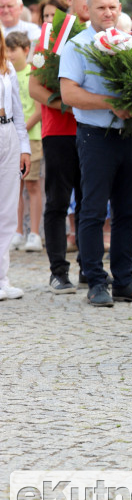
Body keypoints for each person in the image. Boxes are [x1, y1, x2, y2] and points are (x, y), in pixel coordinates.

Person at [59, 0, 132, 307]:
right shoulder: (78, 46)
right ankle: (95, 280)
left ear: (120, 10)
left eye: (113, 7)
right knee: (92, 210)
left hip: (128, 136)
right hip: (95, 136)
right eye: (100, 7)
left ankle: (124, 281)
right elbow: (69, 95)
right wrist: (112, 103)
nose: (108, 13)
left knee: (128, 210)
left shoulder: (130, 44)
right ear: (87, 10)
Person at [29, 0, 102, 294]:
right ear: (69, 0)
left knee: (91, 201)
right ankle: (58, 270)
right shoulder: (50, 34)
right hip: (59, 129)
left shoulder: (104, 34)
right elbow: (34, 87)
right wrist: (66, 105)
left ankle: (90, 267)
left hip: (94, 129)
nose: (90, 4)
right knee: (58, 201)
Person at [0, 27, 31, 300]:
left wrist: (24, 147)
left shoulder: (6, 65)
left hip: (8, 132)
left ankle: (2, 278)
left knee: (8, 209)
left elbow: (18, 109)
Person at [5, 33, 43, 253]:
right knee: (14, 187)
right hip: (12, 137)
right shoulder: (5, 74)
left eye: (14, 50)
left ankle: (34, 232)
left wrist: (20, 131)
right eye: (7, 50)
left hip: (32, 136)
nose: (10, 55)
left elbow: (37, 111)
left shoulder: (31, 73)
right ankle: (17, 231)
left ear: (26, 50)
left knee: (33, 184)